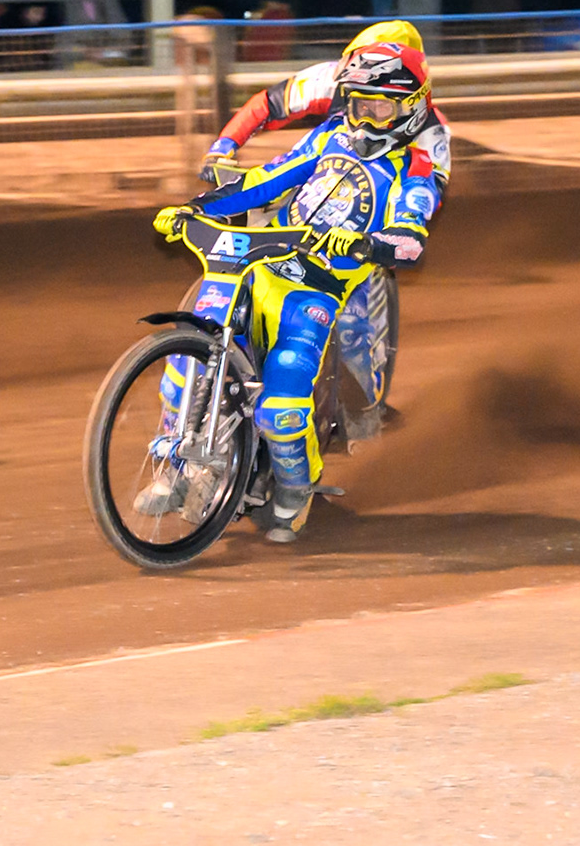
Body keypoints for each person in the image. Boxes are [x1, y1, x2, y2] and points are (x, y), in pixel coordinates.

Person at [147, 44, 443, 540]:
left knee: (283, 405)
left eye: (381, 107)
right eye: (358, 104)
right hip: (261, 260)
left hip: (320, 287)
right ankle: (171, 466)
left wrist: (376, 242)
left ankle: (294, 488)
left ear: (410, 107)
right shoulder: (330, 138)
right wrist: (194, 209)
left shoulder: (415, 167)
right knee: (186, 355)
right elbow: (266, 180)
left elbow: (412, 236)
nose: (366, 118)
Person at [201, 20, 451, 194]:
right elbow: (268, 104)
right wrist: (224, 146)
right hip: (317, 176)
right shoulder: (330, 78)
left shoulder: (430, 126)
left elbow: (431, 190)